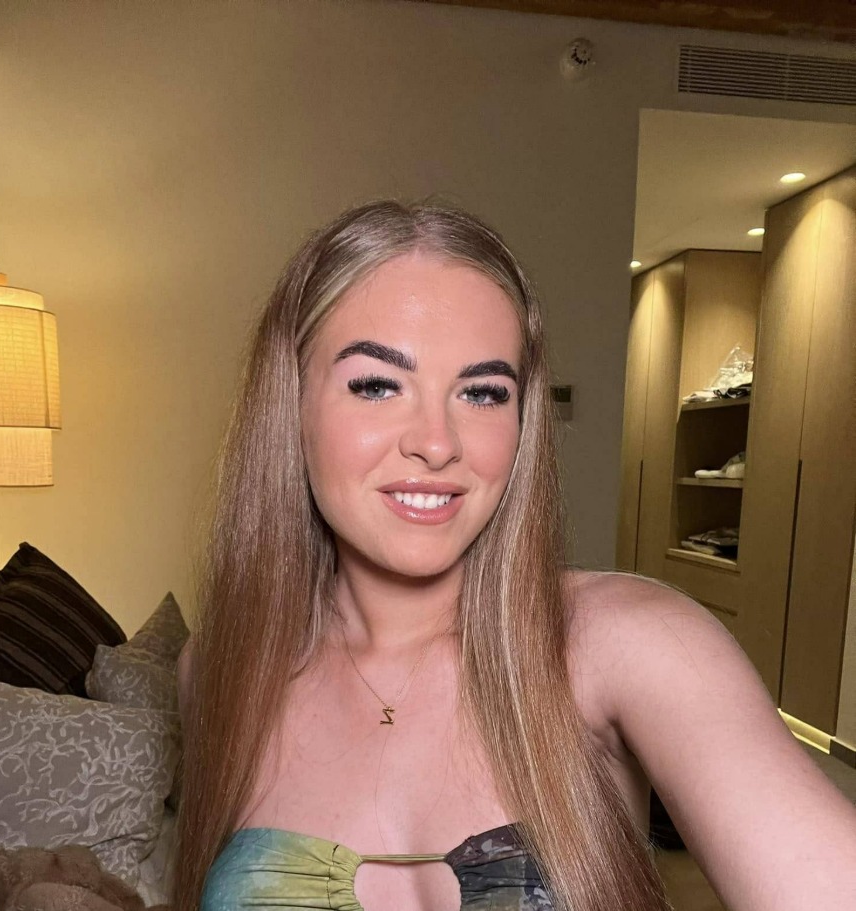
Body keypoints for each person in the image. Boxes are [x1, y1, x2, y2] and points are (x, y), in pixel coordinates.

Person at [174, 201, 856, 911]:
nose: (437, 442)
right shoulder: (219, 669)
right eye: (377, 384)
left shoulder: (630, 643)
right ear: (289, 404)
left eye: (482, 392)